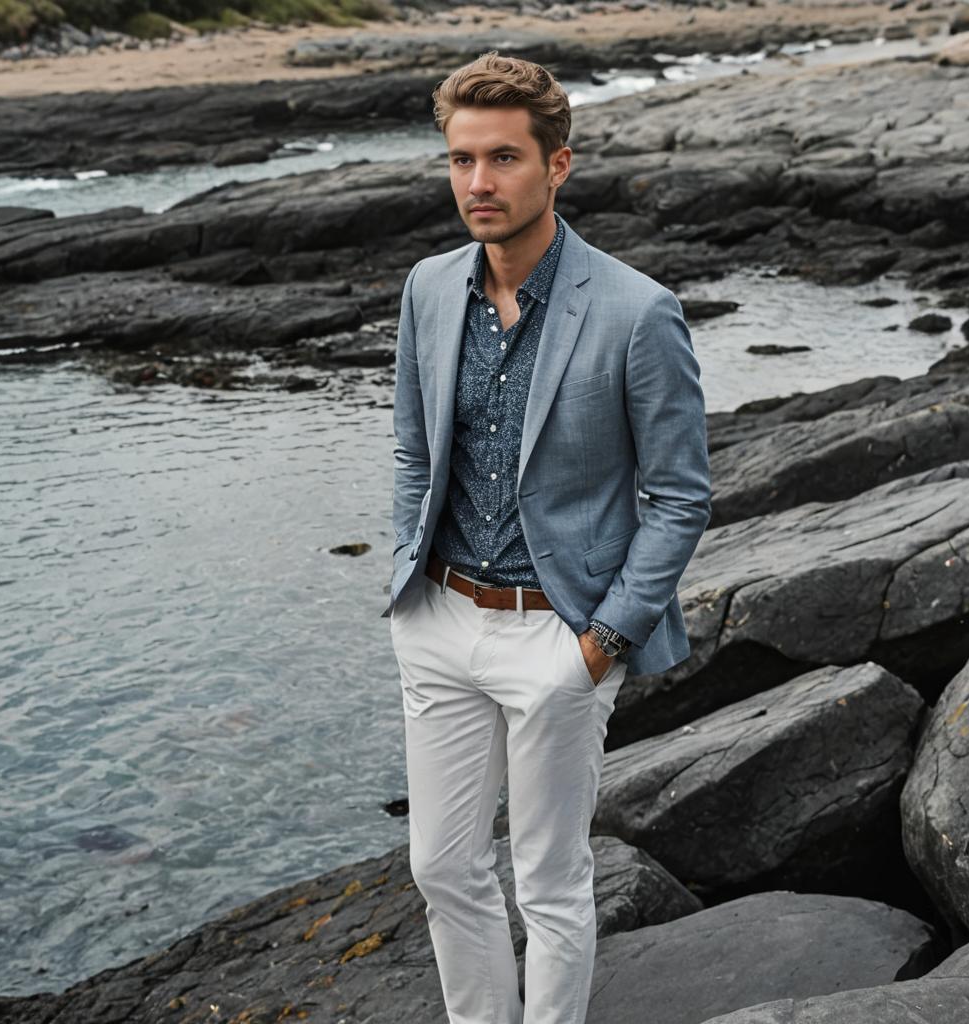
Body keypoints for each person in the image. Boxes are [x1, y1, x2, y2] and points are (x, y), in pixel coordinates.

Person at [380, 50, 711, 1024]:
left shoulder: (636, 311)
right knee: (440, 864)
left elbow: (680, 495)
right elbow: (412, 451)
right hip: (437, 617)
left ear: (557, 165)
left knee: (550, 879)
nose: (477, 183)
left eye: (503, 159)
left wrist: (600, 644)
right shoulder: (428, 289)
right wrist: (407, 582)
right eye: (459, 160)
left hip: (556, 632)